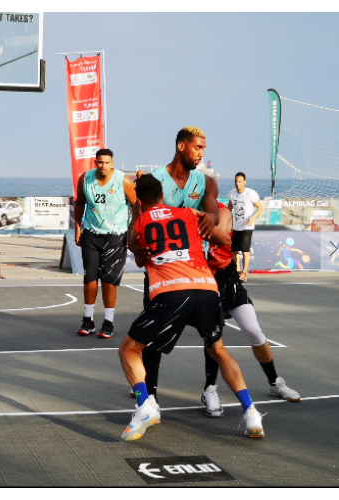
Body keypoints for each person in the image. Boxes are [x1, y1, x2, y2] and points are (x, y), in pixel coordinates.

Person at [120, 175, 265, 441]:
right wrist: (216, 230)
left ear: (140, 201)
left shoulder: (140, 221)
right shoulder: (187, 212)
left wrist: (135, 212)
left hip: (171, 292)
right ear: (162, 196)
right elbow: (222, 238)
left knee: (130, 349)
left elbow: (135, 249)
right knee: (218, 350)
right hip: (207, 289)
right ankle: (251, 412)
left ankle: (145, 404)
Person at [128, 126, 219, 398]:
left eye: (203, 148)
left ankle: (210, 389)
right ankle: (150, 394)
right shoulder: (153, 180)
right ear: (181, 146)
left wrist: (197, 217)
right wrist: (135, 249)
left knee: (212, 337)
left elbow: (213, 217)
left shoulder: (206, 183)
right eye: (197, 148)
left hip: (198, 268)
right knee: (154, 335)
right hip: (161, 271)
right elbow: (136, 223)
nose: (201, 153)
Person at [199, 201, 300, 417]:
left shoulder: (218, 209)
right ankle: (210, 389)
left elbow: (224, 228)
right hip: (206, 288)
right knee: (214, 341)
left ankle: (275, 382)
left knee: (255, 333)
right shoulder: (184, 211)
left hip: (231, 286)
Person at [74, 149, 136, 339]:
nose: (103, 166)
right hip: (91, 234)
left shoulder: (123, 181)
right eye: (100, 162)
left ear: (112, 163)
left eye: (107, 163)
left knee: (109, 281)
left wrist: (131, 234)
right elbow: (80, 204)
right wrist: (78, 228)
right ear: (95, 163)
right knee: (89, 278)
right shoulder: (85, 179)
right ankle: (88, 320)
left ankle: (108, 322)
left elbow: (137, 205)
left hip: (115, 236)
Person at [228, 172, 263, 282]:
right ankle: (236, 271)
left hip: (247, 226)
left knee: (244, 249)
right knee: (234, 250)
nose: (237, 184)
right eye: (236, 181)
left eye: (240, 181)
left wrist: (252, 218)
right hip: (236, 226)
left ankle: (244, 273)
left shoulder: (250, 193)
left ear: (244, 182)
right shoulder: (232, 194)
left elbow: (260, 208)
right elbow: (229, 209)